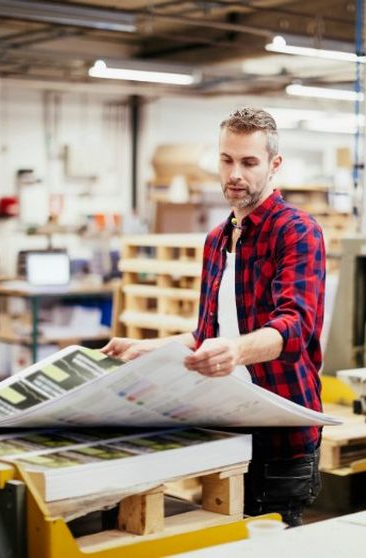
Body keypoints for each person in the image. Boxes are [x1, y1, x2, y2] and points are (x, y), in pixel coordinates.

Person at [102, 107, 326, 526]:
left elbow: (295, 328)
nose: (235, 174)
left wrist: (236, 352)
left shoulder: (297, 232)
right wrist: (146, 347)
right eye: (227, 160)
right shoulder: (216, 240)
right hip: (226, 427)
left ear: (274, 165)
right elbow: (208, 333)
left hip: (280, 435)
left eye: (248, 162)